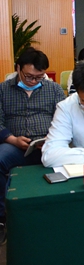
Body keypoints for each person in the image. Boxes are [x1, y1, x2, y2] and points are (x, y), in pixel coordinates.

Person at [0, 49, 65, 242]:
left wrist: (50, 139)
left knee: (69, 158)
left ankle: (58, 215)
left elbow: (65, 120)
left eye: (39, 77)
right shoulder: (3, 90)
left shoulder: (53, 89)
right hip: (14, 145)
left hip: (47, 144)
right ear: (18, 68)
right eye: (29, 76)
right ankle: (3, 217)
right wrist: (12, 139)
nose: (33, 81)